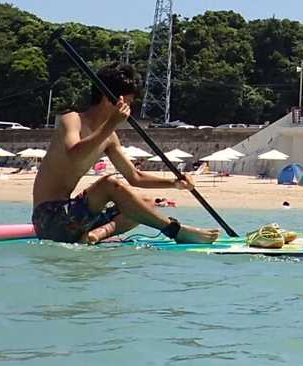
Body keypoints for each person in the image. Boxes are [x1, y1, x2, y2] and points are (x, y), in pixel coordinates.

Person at [33, 64, 218, 245]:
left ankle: (96, 235)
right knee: (109, 184)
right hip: (48, 218)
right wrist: (111, 124)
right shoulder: (72, 120)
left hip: (72, 218)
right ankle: (175, 231)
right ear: (109, 99)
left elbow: (135, 177)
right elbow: (74, 154)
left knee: (146, 203)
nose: (129, 109)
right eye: (128, 103)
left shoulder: (109, 136)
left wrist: (175, 183)